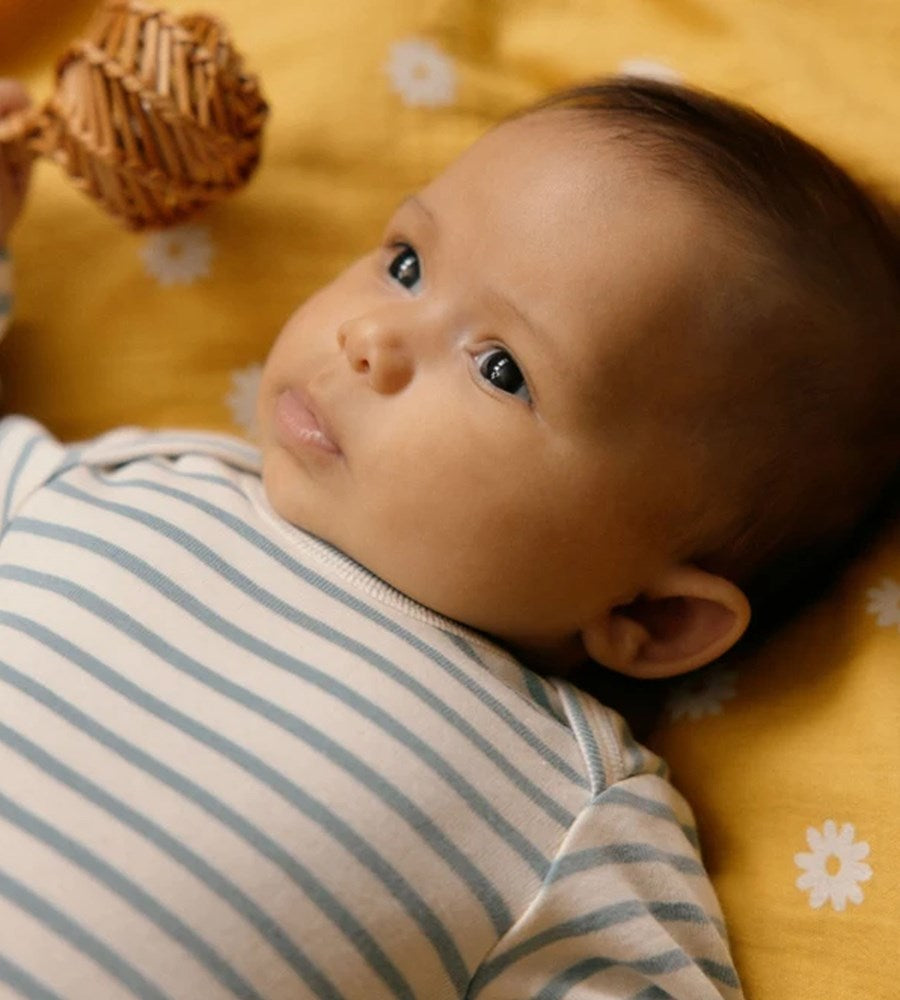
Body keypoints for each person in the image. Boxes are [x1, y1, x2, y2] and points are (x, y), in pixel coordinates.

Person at [0, 73, 898, 1000]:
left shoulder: (573, 811)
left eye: (502, 368)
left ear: (656, 615)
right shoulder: (129, 480)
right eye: (404, 264)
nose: (372, 336)